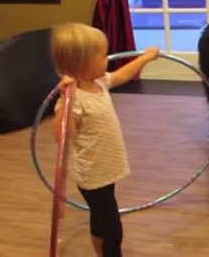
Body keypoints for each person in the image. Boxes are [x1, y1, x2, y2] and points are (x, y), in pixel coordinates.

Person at [50, 22, 159, 256]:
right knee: (112, 229)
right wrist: (65, 103)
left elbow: (122, 74)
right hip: (93, 176)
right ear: (81, 64)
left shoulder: (98, 82)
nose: (107, 59)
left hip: (107, 169)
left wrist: (146, 57)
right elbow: (62, 135)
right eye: (101, 55)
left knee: (101, 220)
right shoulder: (73, 99)